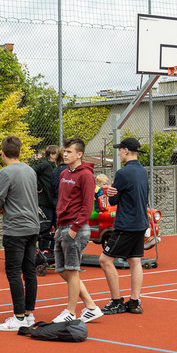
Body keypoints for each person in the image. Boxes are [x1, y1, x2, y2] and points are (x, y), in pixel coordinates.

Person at [0, 136, 42, 331]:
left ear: (2, 153)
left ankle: (19, 317)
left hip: (15, 228)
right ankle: (28, 313)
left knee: (13, 271)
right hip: (32, 226)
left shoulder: (5, 172)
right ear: (19, 152)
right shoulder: (30, 170)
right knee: (29, 271)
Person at [52, 137, 104, 323]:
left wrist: (75, 227)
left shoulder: (86, 175)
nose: (65, 155)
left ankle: (71, 312)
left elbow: (87, 205)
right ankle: (91, 306)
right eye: (64, 151)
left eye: (69, 152)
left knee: (72, 271)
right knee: (61, 269)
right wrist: (59, 226)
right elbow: (62, 201)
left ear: (79, 154)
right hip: (63, 227)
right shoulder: (64, 173)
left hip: (76, 229)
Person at [99, 137, 149, 315]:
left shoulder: (122, 173)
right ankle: (134, 302)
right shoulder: (143, 171)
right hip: (141, 221)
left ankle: (116, 301)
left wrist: (111, 193)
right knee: (135, 261)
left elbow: (113, 200)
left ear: (126, 150)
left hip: (126, 224)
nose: (119, 153)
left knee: (105, 260)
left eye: (120, 150)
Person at [32, 145, 59, 226]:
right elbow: (31, 171)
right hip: (45, 201)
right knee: (46, 225)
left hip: (52, 201)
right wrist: (38, 186)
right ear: (51, 155)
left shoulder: (54, 165)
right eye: (57, 154)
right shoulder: (45, 164)